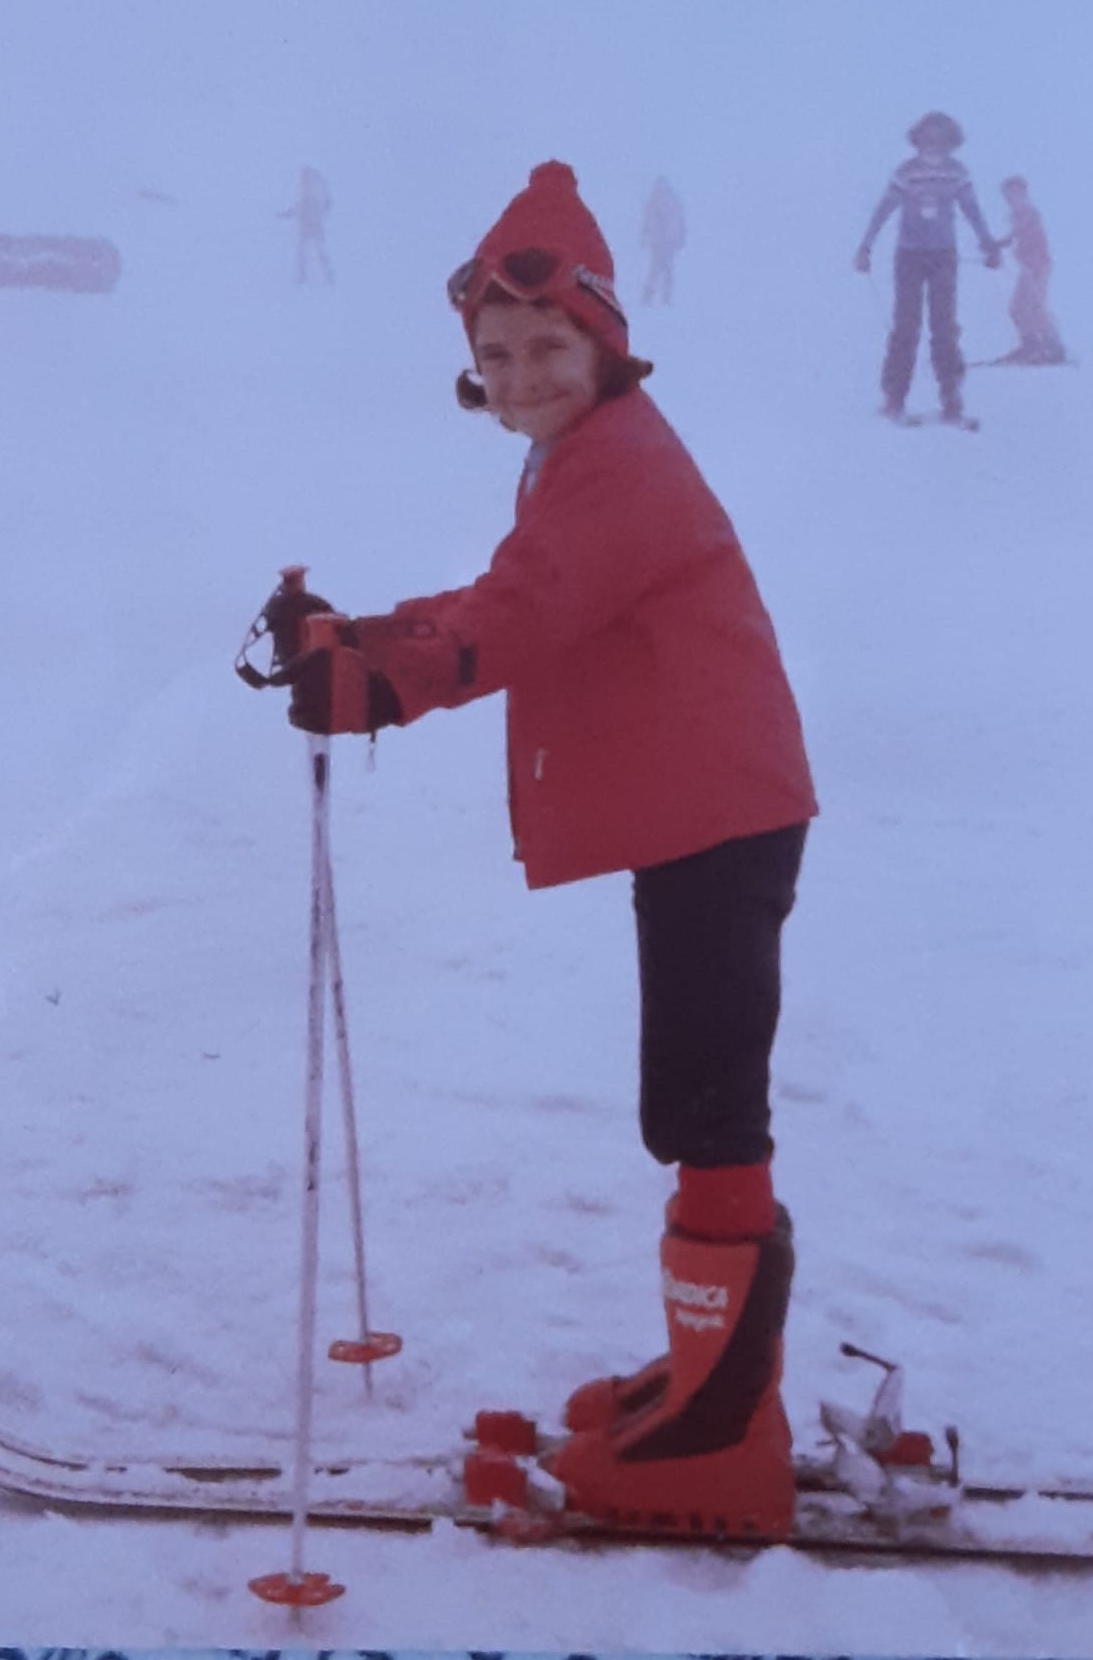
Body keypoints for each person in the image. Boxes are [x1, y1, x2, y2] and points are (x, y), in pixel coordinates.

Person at [271, 160, 817, 1540]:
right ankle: (710, 1384)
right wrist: (365, 640)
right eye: (495, 354)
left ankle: (716, 1440)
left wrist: (389, 683)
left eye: (545, 347)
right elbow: (510, 596)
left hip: (716, 814)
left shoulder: (617, 463)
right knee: (693, 1104)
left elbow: (528, 612)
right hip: (703, 808)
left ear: (604, 342)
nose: (519, 373)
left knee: (706, 1109)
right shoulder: (581, 456)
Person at [854, 112, 1001, 425]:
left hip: (943, 257)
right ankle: (894, 400)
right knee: (906, 327)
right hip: (908, 256)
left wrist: (987, 243)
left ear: (951, 143)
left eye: (941, 140)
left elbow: (972, 210)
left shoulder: (956, 173)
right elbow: (884, 209)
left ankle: (952, 403)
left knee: (944, 328)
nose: (934, 146)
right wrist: (865, 245)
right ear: (917, 140)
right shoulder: (906, 173)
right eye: (928, 139)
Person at [992, 176, 1068, 364]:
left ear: (1023, 194)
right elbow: (1013, 236)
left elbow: (1018, 232)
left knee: (1034, 307)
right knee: (1018, 308)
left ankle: (1052, 347)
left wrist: (998, 244)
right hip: (1029, 267)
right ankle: (1032, 345)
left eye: (1015, 194)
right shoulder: (1018, 215)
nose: (1010, 199)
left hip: (1037, 266)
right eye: (1008, 195)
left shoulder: (1028, 213)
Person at [278, 165, 335, 286]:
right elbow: (302, 207)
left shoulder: (309, 191)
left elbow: (300, 207)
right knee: (311, 251)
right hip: (311, 225)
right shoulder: (313, 190)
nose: (301, 180)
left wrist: (288, 214)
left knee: (313, 251)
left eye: (303, 177)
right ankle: (324, 275)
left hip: (310, 225)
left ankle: (321, 275)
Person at [640, 175, 687, 304]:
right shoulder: (668, 201)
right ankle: (660, 297)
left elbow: (648, 222)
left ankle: (653, 297)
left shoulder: (657, 201)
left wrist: (644, 237)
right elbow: (648, 222)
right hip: (663, 241)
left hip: (663, 241)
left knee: (659, 269)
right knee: (662, 269)